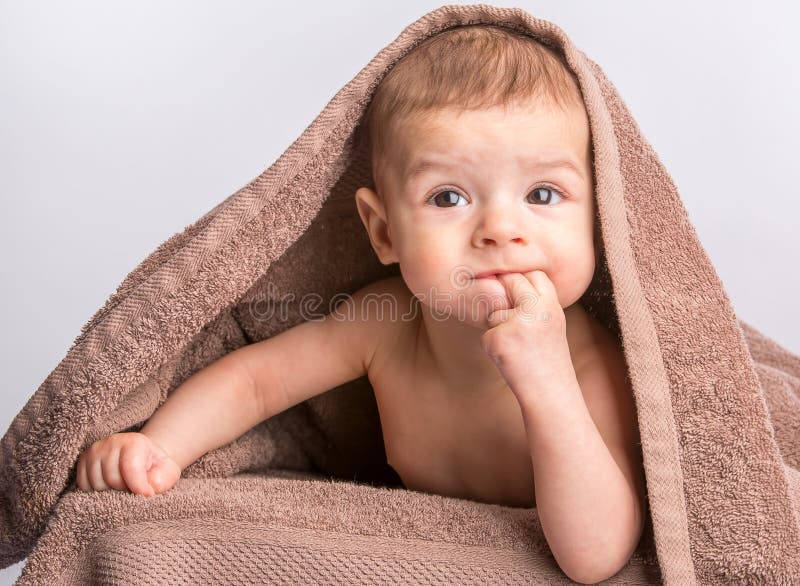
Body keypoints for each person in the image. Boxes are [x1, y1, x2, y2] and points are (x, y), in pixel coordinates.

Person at [75, 24, 646, 583]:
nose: (500, 229)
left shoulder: (597, 364)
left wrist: (547, 379)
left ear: (598, 219)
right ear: (384, 231)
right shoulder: (387, 325)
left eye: (542, 194)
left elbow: (595, 559)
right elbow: (257, 382)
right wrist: (158, 447)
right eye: (448, 197)